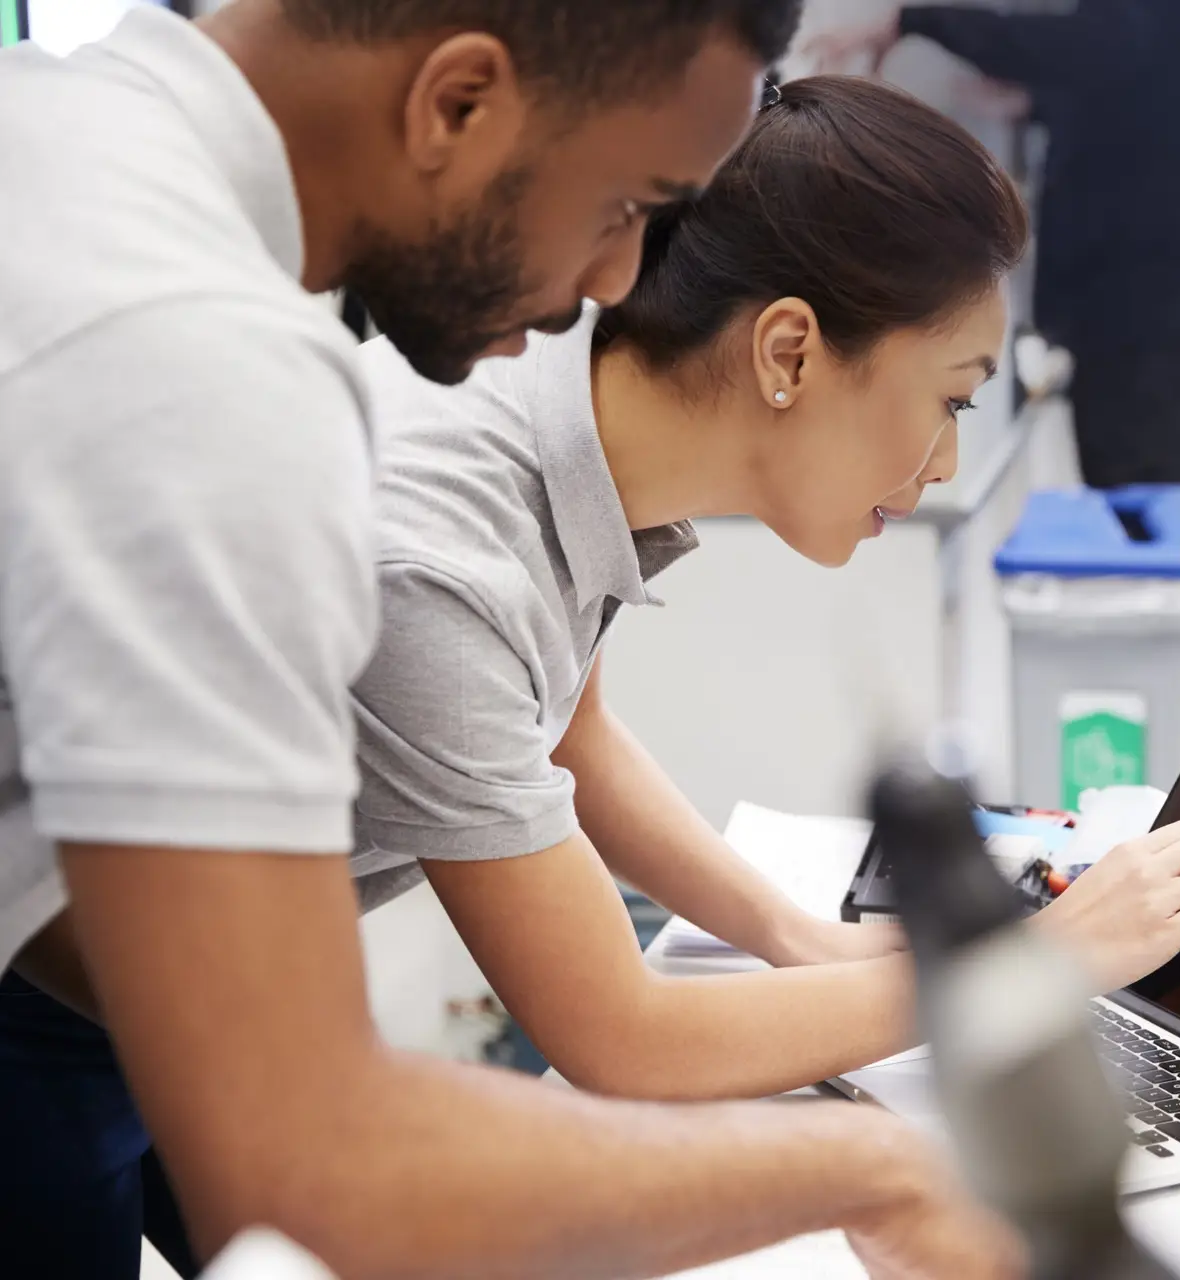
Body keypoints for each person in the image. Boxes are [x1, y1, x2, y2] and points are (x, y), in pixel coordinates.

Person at [0, 3, 1026, 1278]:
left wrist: (796, 941)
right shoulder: (218, 378)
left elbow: (564, 727)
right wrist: (892, 1162)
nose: (613, 286)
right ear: (460, 101)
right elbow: (316, 1155)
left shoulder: (58, 135)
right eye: (625, 206)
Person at [346, 74, 1180, 1103]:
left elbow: (569, 727)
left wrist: (796, 936)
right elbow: (624, 1034)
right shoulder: (447, 550)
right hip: (140, 987)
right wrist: (1033, 963)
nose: (950, 459)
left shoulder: (563, 373)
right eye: (951, 398)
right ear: (789, 351)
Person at [809, 0, 1180, 489]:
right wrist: (1038, 105)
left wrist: (916, 21)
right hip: (1161, 304)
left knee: (1140, 515)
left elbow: (1104, 45)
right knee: (1141, 511)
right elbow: (1157, 87)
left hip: (1158, 312)